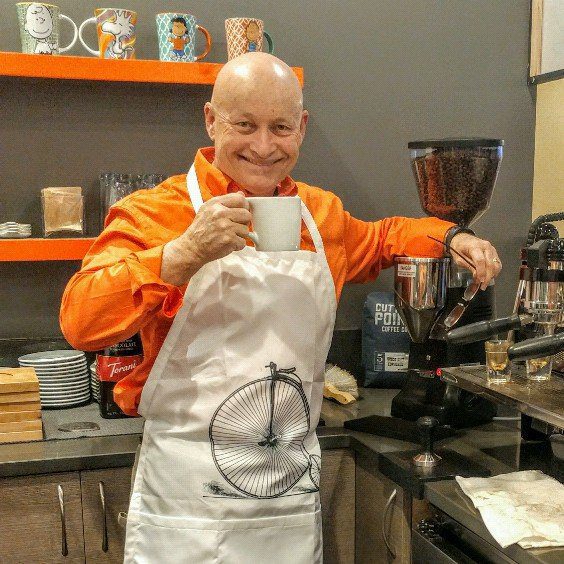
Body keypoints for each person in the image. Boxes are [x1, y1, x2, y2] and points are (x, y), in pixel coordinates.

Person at [60, 53, 502, 563]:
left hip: (286, 504)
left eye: (281, 127)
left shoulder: (319, 214)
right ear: (210, 120)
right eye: (244, 125)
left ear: (303, 128)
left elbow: (385, 239)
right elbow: (80, 319)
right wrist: (181, 254)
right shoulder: (153, 213)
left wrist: (451, 236)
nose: (264, 147)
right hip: (187, 514)